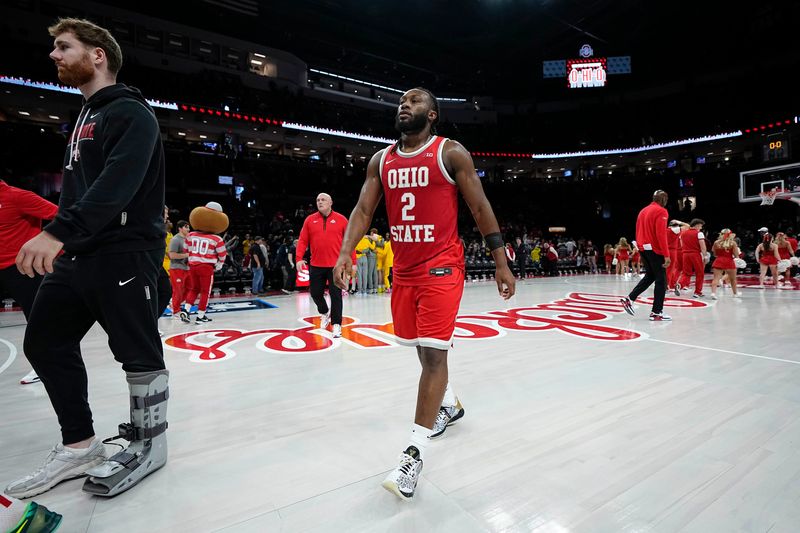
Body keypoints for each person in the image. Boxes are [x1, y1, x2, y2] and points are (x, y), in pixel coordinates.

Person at [7, 18, 169, 499]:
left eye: (63, 47)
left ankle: (150, 445)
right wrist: (67, 238)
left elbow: (116, 186)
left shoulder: (131, 113)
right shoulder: (84, 114)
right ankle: (80, 447)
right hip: (79, 254)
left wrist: (56, 232)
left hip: (124, 254)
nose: (53, 55)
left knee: (138, 354)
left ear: (97, 54)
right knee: (45, 341)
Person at [332, 87, 515, 500]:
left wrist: (501, 261)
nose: (404, 104)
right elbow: (363, 211)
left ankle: (412, 455)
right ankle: (448, 404)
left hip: (443, 267)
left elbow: (480, 207)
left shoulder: (450, 153)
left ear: (432, 115)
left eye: (414, 100)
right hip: (405, 271)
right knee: (420, 349)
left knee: (433, 355)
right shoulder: (381, 160)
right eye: (401, 100)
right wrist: (345, 253)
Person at [0, 177, 58, 385]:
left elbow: (60, 215)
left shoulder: (17, 196)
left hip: (23, 269)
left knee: (37, 320)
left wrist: (50, 245)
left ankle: (44, 366)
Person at [295, 193, 355, 338]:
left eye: (323, 200)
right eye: (317, 200)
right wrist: (298, 258)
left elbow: (349, 242)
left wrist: (353, 262)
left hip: (336, 266)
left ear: (331, 202)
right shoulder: (310, 220)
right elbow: (302, 241)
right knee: (315, 293)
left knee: (336, 295)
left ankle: (336, 324)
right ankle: (324, 312)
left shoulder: (341, 220)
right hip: (316, 264)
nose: (320, 202)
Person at [621, 190, 672, 321]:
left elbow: (638, 230)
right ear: (663, 199)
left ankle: (630, 299)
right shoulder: (661, 211)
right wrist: (666, 254)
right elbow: (661, 234)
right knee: (661, 280)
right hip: (655, 250)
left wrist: (640, 248)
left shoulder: (643, 211)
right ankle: (657, 312)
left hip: (643, 248)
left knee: (650, 276)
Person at [179, 202, 229, 323]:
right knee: (205, 291)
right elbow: (222, 254)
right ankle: (200, 316)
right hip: (206, 266)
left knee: (193, 289)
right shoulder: (217, 238)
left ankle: (186, 310)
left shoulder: (190, 235)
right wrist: (220, 263)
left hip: (193, 265)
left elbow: (186, 250)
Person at [676, 218, 708, 298]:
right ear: (697, 225)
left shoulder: (682, 234)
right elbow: (702, 246)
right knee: (700, 273)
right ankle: (697, 292)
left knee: (686, 273)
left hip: (685, 254)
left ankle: (680, 284)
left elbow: (682, 245)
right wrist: (705, 255)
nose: (701, 228)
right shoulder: (699, 233)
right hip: (695, 254)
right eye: (700, 226)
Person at [709, 229, 741, 299]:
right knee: (733, 279)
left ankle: (713, 293)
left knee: (716, 278)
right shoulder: (733, 243)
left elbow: (714, 254)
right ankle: (735, 294)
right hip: (729, 261)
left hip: (718, 261)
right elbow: (736, 255)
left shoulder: (716, 242)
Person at [168, 220, 190, 316]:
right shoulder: (175, 239)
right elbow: (172, 255)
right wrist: (187, 255)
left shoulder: (189, 239)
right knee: (178, 290)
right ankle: (176, 311)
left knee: (190, 289)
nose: (188, 229)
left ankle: (173, 304)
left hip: (187, 268)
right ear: (180, 228)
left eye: (189, 227)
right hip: (176, 268)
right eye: (186, 227)